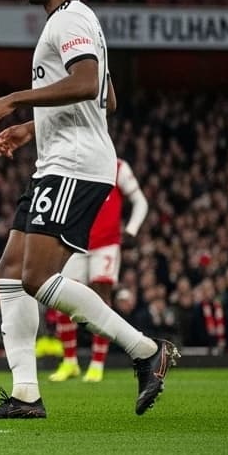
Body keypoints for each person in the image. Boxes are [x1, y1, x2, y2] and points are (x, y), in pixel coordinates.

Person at [0, 0, 176, 419]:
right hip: (58, 161)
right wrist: (29, 128)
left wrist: (16, 99)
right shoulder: (75, 24)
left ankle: (147, 351)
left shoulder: (73, 19)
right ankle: (25, 394)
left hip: (76, 166)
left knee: (38, 276)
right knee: (9, 275)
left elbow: (87, 84)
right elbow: (107, 97)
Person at [49, 158, 149, 383]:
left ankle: (97, 363)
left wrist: (131, 230)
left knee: (101, 298)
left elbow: (140, 201)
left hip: (106, 243)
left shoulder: (118, 167)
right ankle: (70, 362)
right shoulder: (73, 163)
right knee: (62, 298)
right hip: (76, 240)